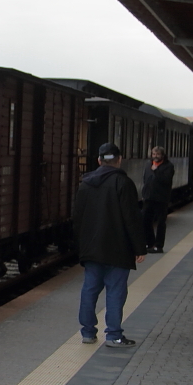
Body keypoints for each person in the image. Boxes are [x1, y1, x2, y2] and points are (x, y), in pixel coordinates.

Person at [73, 142, 146, 347]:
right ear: (119, 160)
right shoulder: (124, 183)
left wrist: (80, 245)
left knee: (89, 289)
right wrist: (139, 248)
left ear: (98, 160)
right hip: (118, 248)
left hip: (92, 248)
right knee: (115, 291)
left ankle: (87, 332)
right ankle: (113, 335)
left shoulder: (85, 184)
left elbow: (77, 217)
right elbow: (132, 218)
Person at [140, 146, 175, 253]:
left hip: (161, 198)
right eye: (154, 154)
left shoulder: (168, 166)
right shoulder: (148, 164)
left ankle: (158, 245)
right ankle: (149, 243)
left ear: (162, 155)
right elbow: (146, 179)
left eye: (158, 154)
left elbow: (166, 180)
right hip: (149, 197)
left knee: (161, 222)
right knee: (145, 220)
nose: (155, 156)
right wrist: (144, 193)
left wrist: (156, 172)